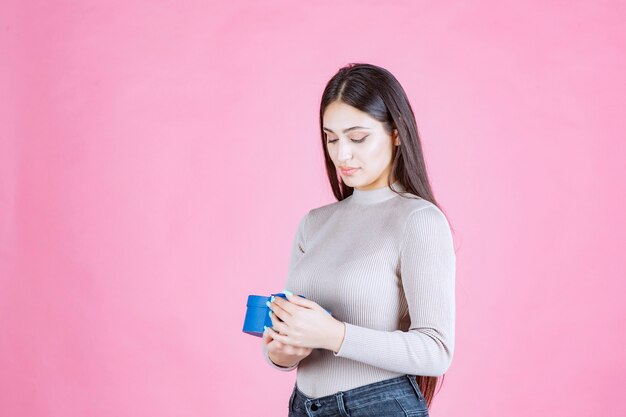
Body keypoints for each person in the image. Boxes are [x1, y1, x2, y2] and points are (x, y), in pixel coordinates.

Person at [261, 63, 456, 417]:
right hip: (302, 406)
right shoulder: (314, 223)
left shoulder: (419, 220)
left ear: (396, 133)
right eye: (331, 138)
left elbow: (436, 350)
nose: (342, 154)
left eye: (357, 137)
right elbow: (285, 343)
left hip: (378, 406)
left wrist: (334, 335)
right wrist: (281, 352)